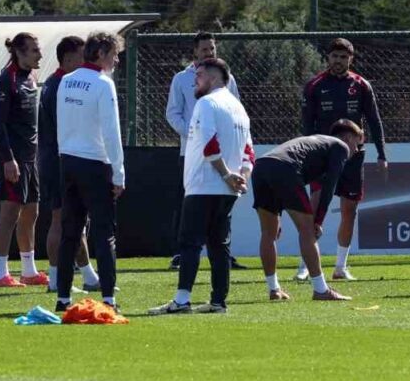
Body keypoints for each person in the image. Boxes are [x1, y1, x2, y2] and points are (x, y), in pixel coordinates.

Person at [149, 58, 254, 315]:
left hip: (204, 185)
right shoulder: (238, 107)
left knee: (190, 243)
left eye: (200, 75)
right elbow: (249, 152)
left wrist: (227, 175)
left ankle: (182, 300)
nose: (195, 80)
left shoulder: (206, 103)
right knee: (220, 245)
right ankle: (218, 301)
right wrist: (242, 177)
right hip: (227, 190)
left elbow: (209, 145)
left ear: (214, 77)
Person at [296, 38, 387, 281]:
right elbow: (307, 125)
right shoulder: (315, 86)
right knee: (315, 208)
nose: (338, 61)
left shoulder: (361, 85)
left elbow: (374, 121)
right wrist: (307, 155)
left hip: (353, 156)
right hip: (322, 156)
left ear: (351, 59)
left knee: (350, 210)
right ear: (328, 57)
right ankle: (305, 266)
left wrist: (382, 154)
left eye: (343, 57)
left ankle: (340, 266)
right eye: (335, 56)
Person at [252, 121, 365, 302]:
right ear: (348, 138)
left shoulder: (320, 144)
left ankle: (274, 289)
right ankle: (321, 290)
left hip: (261, 166)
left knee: (268, 233)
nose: (357, 150)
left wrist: (279, 211)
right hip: (285, 168)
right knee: (307, 231)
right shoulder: (341, 147)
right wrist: (317, 221)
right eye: (357, 144)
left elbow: (317, 188)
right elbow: (329, 188)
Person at [54, 32, 126, 313]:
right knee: (104, 233)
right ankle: (108, 299)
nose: (116, 60)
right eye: (114, 54)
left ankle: (62, 298)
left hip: (68, 161)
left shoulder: (66, 80)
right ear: (101, 54)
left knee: (70, 232)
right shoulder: (103, 84)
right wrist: (119, 173)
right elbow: (111, 132)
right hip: (95, 163)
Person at [165, 32, 243, 271]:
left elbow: (235, 109)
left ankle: (223, 253)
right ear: (195, 52)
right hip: (190, 154)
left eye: (212, 48)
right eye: (205, 49)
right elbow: (172, 113)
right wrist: (193, 135)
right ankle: (182, 254)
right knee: (188, 203)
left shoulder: (227, 78)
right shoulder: (181, 79)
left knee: (223, 203)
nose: (210, 53)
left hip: (222, 153)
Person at [38, 35, 100, 292]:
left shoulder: (57, 83)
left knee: (74, 220)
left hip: (59, 159)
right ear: (68, 59)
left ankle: (89, 277)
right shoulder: (60, 85)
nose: (86, 61)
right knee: (60, 220)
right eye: (82, 56)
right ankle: (55, 280)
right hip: (58, 162)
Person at [0, 33, 48, 288]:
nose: (40, 55)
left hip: (31, 158)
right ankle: (0, 274)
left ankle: (28, 271)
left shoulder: (31, 78)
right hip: (13, 159)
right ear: (20, 53)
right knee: (9, 214)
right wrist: (8, 159)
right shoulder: (6, 80)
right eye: (34, 50)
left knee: (32, 212)